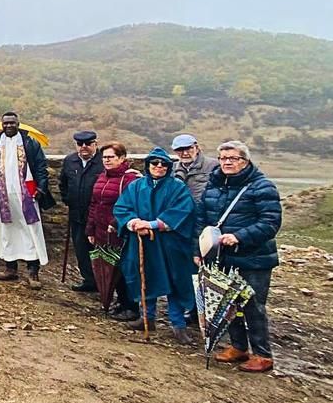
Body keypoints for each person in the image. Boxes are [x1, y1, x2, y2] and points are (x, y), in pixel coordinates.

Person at [196, 140, 282, 373]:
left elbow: (270, 222)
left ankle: (263, 354)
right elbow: (202, 220)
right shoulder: (213, 185)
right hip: (221, 257)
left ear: (245, 161)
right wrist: (199, 251)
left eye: (233, 159)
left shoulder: (262, 187)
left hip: (254, 258)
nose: (227, 163)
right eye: (223, 159)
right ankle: (238, 347)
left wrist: (240, 237)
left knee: (253, 306)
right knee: (228, 303)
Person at [113, 147, 197, 345]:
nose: (159, 167)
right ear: (148, 165)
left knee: (175, 281)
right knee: (145, 277)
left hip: (170, 244)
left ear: (169, 167)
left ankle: (178, 325)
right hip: (142, 242)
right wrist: (134, 223)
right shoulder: (136, 186)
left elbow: (183, 210)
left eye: (163, 164)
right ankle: (147, 318)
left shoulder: (177, 187)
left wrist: (152, 224)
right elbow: (122, 207)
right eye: (155, 163)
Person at [0, 112, 50, 288]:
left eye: (12, 123)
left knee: (30, 230)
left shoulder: (30, 143)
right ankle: (10, 267)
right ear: (2, 125)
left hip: (26, 193)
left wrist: (41, 188)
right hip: (3, 193)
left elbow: (41, 167)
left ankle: (33, 271)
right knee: (6, 230)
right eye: (5, 123)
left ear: (18, 124)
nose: (9, 126)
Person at [86, 142, 142, 320]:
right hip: (102, 231)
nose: (107, 160)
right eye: (105, 157)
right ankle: (120, 301)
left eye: (111, 157)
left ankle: (131, 307)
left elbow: (134, 205)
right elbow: (95, 204)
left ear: (122, 158)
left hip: (120, 232)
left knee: (125, 269)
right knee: (111, 266)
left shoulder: (131, 179)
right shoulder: (102, 177)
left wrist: (117, 222)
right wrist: (91, 229)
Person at [59, 130, 104, 292]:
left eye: (88, 144)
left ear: (95, 144)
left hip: (99, 216)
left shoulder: (103, 162)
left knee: (100, 251)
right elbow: (62, 183)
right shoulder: (70, 161)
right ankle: (89, 280)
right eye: (80, 144)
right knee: (81, 249)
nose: (84, 147)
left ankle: (104, 283)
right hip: (77, 214)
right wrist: (68, 200)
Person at [172, 134, 218, 205]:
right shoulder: (171, 168)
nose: (185, 153)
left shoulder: (214, 165)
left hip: (204, 212)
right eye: (180, 150)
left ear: (196, 148)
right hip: (179, 212)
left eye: (189, 148)